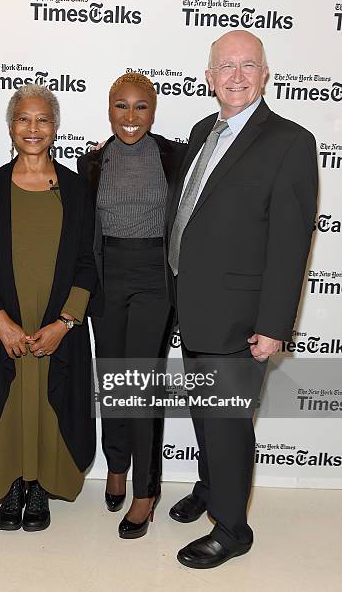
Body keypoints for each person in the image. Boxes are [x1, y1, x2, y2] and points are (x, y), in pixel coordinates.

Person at [165, 30, 318, 568]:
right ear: (208, 77)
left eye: (247, 65)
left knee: (227, 427)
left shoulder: (290, 141)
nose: (236, 76)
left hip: (242, 319)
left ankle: (232, 530)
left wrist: (275, 324)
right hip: (195, 308)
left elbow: (290, 241)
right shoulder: (202, 129)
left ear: (265, 73)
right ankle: (211, 490)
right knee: (206, 417)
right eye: (224, 66)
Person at [0, 84, 96, 532]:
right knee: (10, 401)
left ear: (55, 127)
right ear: (11, 126)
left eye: (42, 119)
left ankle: (39, 486)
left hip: (57, 328)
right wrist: (0, 322)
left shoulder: (76, 189)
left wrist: (65, 323)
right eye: (23, 119)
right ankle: (12, 482)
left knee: (48, 402)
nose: (32, 128)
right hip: (3, 328)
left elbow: (89, 263)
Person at [77, 73, 186, 539]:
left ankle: (145, 491)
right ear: (108, 110)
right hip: (107, 280)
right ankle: (116, 465)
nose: (130, 117)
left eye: (140, 107)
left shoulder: (175, 157)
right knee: (114, 380)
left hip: (154, 280)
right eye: (121, 106)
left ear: (154, 110)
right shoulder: (92, 164)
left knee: (142, 384)